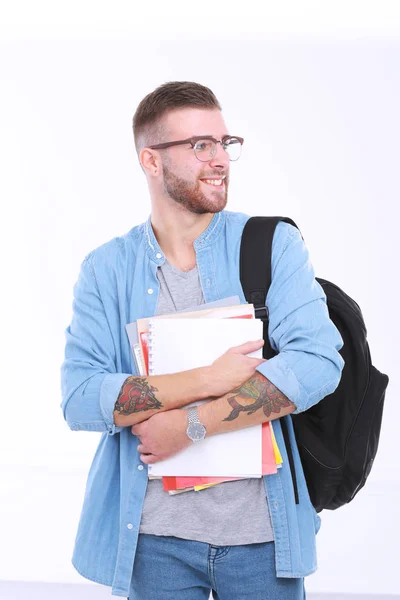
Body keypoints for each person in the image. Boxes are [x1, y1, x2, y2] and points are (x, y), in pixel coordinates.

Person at [61, 81, 345, 600]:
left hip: (262, 537)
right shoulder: (107, 269)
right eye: (199, 146)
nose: (219, 160)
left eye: (224, 143)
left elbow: (319, 361)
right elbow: (81, 399)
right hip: (153, 542)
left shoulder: (272, 244)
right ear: (150, 161)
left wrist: (191, 425)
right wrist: (206, 379)